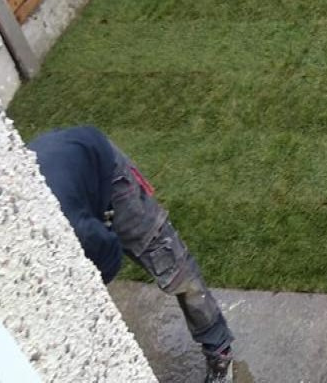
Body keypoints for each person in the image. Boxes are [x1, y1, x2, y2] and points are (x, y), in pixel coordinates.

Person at [28, 125, 234, 383]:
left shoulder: (61, 224)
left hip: (104, 171)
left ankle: (219, 347)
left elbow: (108, 258)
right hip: (70, 170)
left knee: (172, 264)